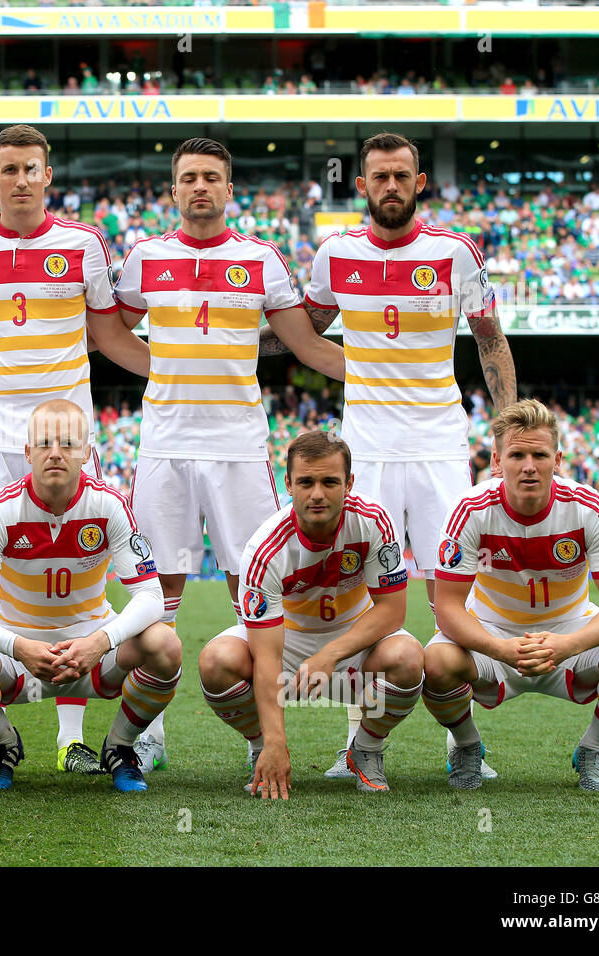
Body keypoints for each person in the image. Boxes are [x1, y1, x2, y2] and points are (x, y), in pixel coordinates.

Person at [113, 137, 344, 772]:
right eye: (188, 178)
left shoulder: (260, 259)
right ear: (173, 190)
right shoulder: (145, 258)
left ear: (229, 189)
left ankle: (255, 735)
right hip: (165, 444)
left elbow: (303, 342)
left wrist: (384, 374)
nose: (200, 188)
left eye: (212, 177)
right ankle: (148, 730)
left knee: (254, 581)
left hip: (238, 444)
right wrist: (158, 368)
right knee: (156, 588)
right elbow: (106, 330)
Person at [297, 130, 517, 779]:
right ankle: (359, 746)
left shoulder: (454, 252)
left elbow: (491, 342)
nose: (390, 186)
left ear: (420, 183)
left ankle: (463, 744)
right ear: (361, 185)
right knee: (359, 592)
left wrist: (507, 431)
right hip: (363, 448)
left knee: (457, 588)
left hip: (440, 444)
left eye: (401, 176)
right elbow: (298, 333)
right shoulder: (333, 255)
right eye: (378, 177)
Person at [0, 124, 151, 775]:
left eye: (31, 168)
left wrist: (178, 376)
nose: (20, 180)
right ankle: (1, 734)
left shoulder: (84, 242)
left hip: (62, 433)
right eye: (9, 169)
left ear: (47, 175)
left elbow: (109, 334)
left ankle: (71, 737)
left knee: (73, 564)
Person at [0, 400, 182, 793]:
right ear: (28, 452)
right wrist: (18, 646)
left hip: (94, 652)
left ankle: (120, 746)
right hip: (18, 653)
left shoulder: (109, 505)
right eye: (44, 443)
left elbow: (151, 596)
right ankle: (4, 745)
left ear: (87, 452)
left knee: (165, 645)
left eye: (68, 443)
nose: (55, 452)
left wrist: (99, 641)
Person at [425, 399, 599, 792]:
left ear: (558, 459)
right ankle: (466, 746)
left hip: (570, 632)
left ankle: (592, 749)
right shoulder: (471, 509)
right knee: (436, 661)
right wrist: (502, 650)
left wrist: (567, 644)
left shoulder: (589, 508)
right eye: (517, 454)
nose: (528, 465)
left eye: (539, 454)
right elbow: (446, 608)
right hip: (493, 633)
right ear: (497, 460)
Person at [203, 430, 424, 798]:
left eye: (329, 482)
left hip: (354, 644)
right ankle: (263, 748)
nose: (317, 493)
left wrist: (330, 654)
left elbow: (392, 610)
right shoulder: (263, 549)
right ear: (287, 483)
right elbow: (266, 654)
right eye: (306, 482)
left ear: (349, 483)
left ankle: (365, 751)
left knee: (408, 657)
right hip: (285, 647)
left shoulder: (374, 521)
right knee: (216, 661)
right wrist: (276, 740)